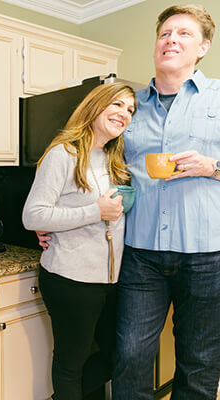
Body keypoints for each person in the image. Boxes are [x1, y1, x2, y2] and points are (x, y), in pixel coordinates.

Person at [37, 4, 220, 399]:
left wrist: (213, 165)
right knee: (130, 356)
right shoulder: (128, 108)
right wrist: (51, 220)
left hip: (207, 255)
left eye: (184, 34)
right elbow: (95, 167)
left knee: (201, 360)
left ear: (203, 47)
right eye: (165, 33)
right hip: (140, 257)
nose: (171, 40)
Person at [22, 82, 136, 400]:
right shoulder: (64, 153)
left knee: (118, 357)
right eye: (116, 105)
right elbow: (33, 216)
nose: (123, 113)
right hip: (70, 278)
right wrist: (95, 211)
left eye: (129, 109)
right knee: (72, 363)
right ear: (95, 105)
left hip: (111, 280)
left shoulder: (115, 159)